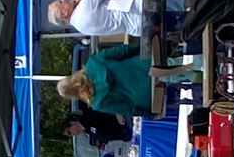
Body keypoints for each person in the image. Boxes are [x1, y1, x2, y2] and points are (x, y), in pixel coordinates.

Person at [59, 41, 187, 123]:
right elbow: (124, 51)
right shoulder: (94, 62)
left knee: (184, 95)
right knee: (185, 65)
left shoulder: (97, 103)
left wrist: (151, 115)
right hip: (148, 67)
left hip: (149, 97)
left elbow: (128, 108)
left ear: (74, 96)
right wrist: (142, 47)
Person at [47, 0, 145, 37]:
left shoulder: (80, 27)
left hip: (137, 29)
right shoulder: (83, 7)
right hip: (139, 10)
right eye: (61, 2)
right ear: (64, 13)